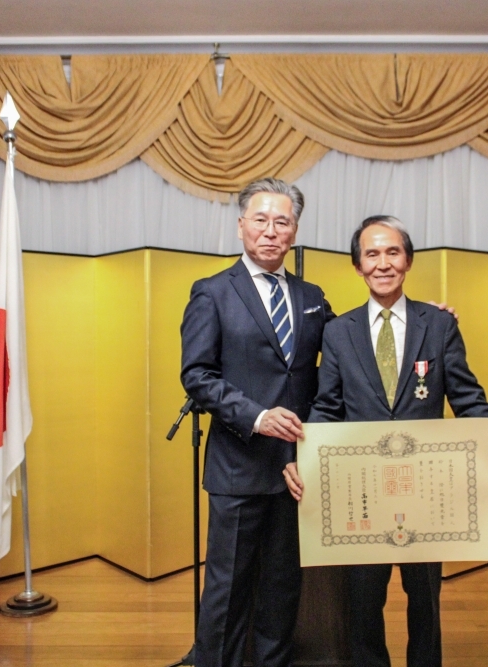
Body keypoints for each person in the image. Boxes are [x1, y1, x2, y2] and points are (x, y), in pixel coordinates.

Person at [283, 215, 488, 667]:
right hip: (363, 490)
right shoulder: (339, 332)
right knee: (363, 602)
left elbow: (468, 398)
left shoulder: (440, 325)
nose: (383, 263)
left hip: (427, 490)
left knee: (425, 600)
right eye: (371, 254)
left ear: (408, 260)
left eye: (392, 252)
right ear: (358, 266)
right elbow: (328, 407)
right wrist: (304, 462)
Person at [180, 178, 333, 667]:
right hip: (238, 467)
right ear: (241, 224)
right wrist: (258, 416)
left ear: (294, 231)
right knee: (227, 590)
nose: (270, 231)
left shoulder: (311, 295)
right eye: (261, 220)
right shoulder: (212, 292)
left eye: (281, 222)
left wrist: (423, 319)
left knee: (283, 587)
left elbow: (345, 352)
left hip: (295, 470)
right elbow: (197, 376)